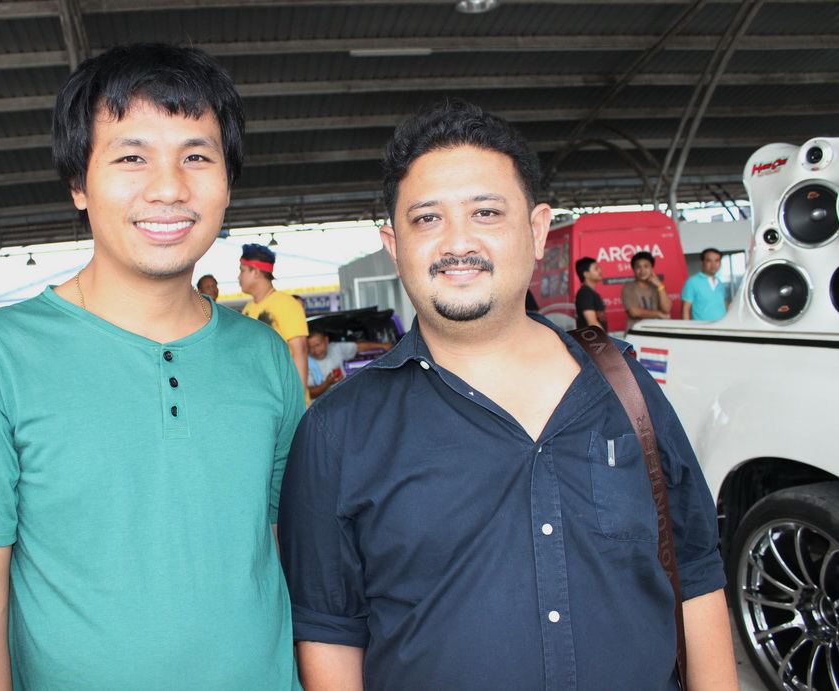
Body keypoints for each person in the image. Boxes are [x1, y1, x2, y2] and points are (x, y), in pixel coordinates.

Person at [278, 99, 738, 690]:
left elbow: (695, 573)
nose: (457, 242)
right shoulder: (338, 429)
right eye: (427, 219)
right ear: (394, 246)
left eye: (486, 212)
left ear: (537, 229)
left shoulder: (626, 387)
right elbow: (329, 630)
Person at [0, 43, 305, 690]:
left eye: (197, 157)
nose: (169, 188)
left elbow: (293, 553)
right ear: (78, 183)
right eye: (131, 157)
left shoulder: (263, 354)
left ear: (228, 182)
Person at [239, 243, 309, 399]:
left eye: (242, 270)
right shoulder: (248, 308)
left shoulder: (286, 303)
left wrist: (298, 400)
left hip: (285, 396)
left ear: (255, 272)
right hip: (260, 397)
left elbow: (301, 351)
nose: (239, 277)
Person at [305, 323, 392, 399]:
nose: (316, 350)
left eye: (318, 345)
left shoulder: (335, 348)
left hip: (343, 399)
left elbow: (358, 347)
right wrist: (327, 383)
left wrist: (382, 346)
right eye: (310, 347)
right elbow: (309, 392)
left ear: (326, 340)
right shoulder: (305, 362)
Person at [621, 250, 672, 330]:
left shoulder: (658, 287)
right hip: (636, 333)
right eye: (638, 267)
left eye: (646, 266)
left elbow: (667, 309)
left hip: (657, 331)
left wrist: (660, 285)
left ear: (652, 268)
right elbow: (634, 312)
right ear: (633, 269)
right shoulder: (629, 288)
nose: (642, 271)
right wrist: (658, 313)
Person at [682, 248, 728, 321]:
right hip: (702, 327)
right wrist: (686, 327)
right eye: (709, 261)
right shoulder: (692, 282)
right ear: (702, 263)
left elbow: (724, 304)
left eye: (717, 261)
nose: (713, 264)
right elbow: (685, 309)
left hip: (722, 325)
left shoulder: (719, 282)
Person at [574, 256, 608, 330]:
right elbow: (592, 322)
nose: (600, 271)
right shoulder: (585, 293)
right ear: (586, 274)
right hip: (593, 336)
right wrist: (604, 337)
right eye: (596, 268)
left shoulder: (590, 292)